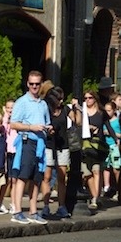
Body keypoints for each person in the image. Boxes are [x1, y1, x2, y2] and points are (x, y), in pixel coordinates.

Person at [10, 70, 51, 225]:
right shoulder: (22, 102)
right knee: (23, 176)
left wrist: (49, 129)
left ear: (41, 85)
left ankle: (34, 211)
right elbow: (13, 123)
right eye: (32, 84)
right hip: (27, 142)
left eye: (37, 84)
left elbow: (46, 122)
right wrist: (30, 127)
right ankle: (17, 211)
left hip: (40, 143)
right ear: (27, 84)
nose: (34, 86)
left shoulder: (43, 104)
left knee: (37, 178)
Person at [41, 86, 81, 219]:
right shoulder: (45, 108)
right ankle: (46, 206)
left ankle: (61, 206)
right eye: (59, 98)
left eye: (62, 98)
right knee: (46, 177)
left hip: (62, 145)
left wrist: (77, 108)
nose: (61, 100)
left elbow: (78, 122)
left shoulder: (65, 109)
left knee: (61, 177)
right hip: (49, 145)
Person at [81, 90, 105, 209]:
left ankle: (95, 198)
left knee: (96, 170)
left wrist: (115, 139)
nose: (88, 100)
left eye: (90, 98)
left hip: (97, 145)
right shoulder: (82, 112)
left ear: (95, 98)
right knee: (87, 173)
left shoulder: (101, 112)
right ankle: (95, 195)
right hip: (85, 145)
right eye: (85, 98)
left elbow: (107, 125)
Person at [102, 101, 120, 198]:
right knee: (106, 167)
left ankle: (118, 187)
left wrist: (113, 134)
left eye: (109, 110)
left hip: (115, 146)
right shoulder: (104, 121)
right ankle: (106, 186)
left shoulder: (117, 121)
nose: (107, 113)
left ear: (114, 110)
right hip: (105, 145)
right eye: (106, 111)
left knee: (116, 168)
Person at [3, 99, 17, 214]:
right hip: (8, 152)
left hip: (16, 151)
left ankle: (14, 203)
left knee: (15, 179)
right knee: (8, 179)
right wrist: (5, 116)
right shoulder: (5, 120)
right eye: (8, 108)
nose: (10, 110)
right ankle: (0, 203)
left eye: (12, 108)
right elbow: (3, 129)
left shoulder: (17, 119)